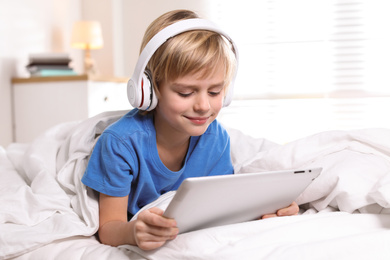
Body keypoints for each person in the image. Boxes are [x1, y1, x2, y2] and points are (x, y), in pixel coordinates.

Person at [81, 9, 299, 251]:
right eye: (186, 92)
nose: (204, 106)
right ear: (148, 89)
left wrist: (269, 211)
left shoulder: (216, 138)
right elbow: (109, 228)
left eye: (215, 92)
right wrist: (133, 232)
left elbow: (221, 209)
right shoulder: (120, 144)